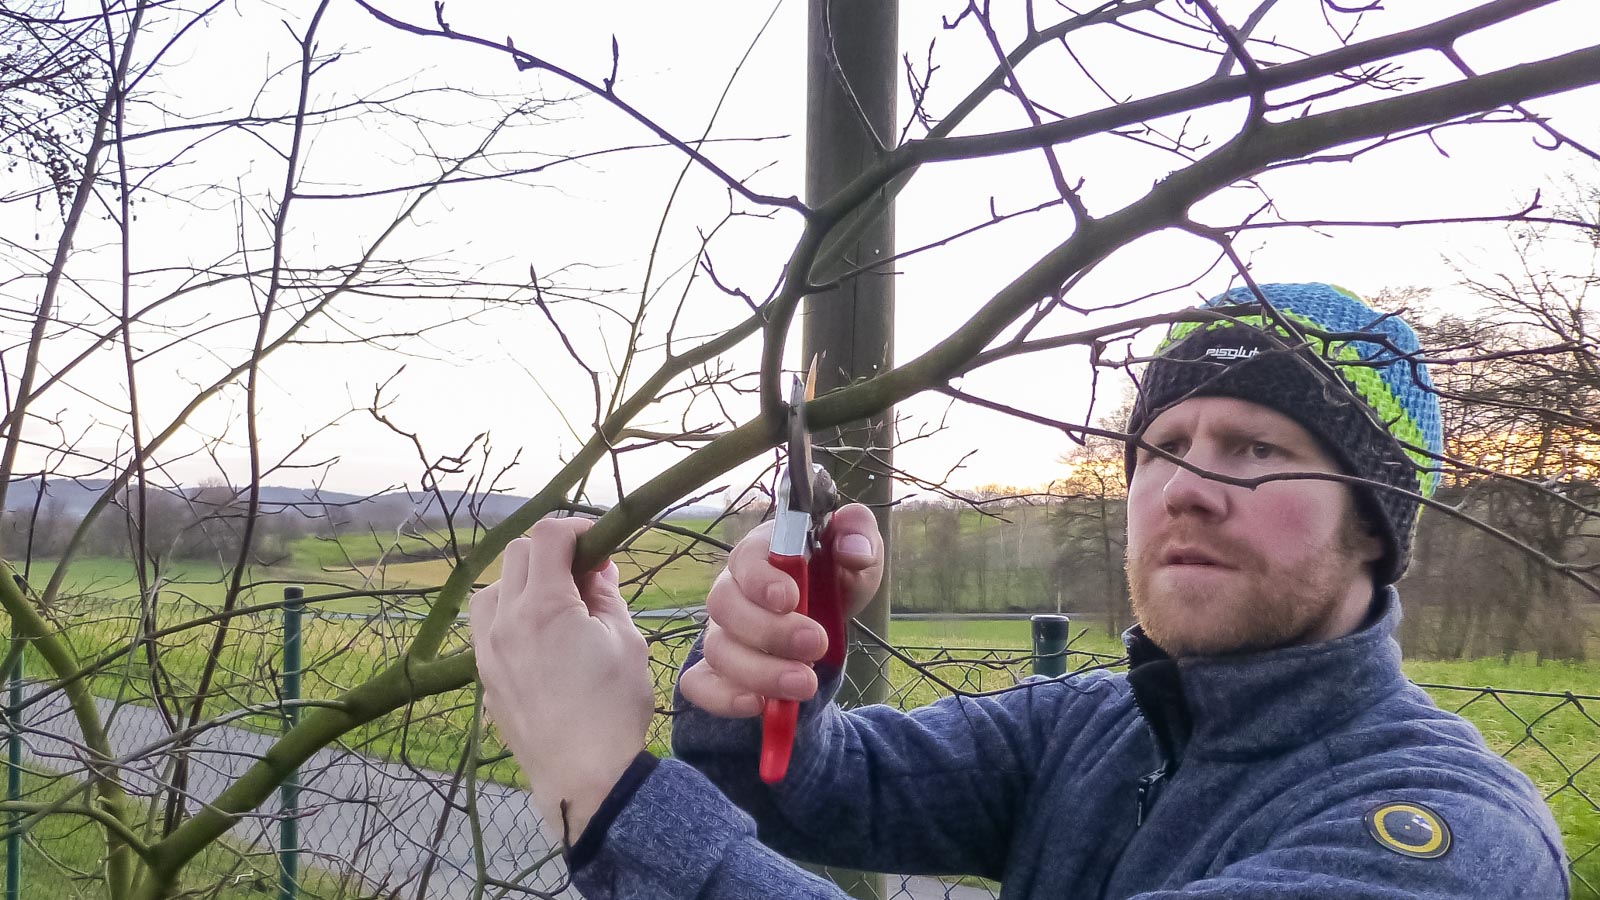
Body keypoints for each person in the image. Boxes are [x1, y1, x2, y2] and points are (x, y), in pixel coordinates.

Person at [470, 283, 1569, 899]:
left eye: (1255, 449)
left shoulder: (1449, 843)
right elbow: (824, 786)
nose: (1185, 488)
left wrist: (604, 789)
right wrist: (761, 677)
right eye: (1163, 445)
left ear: (1372, 523)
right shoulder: (1096, 727)